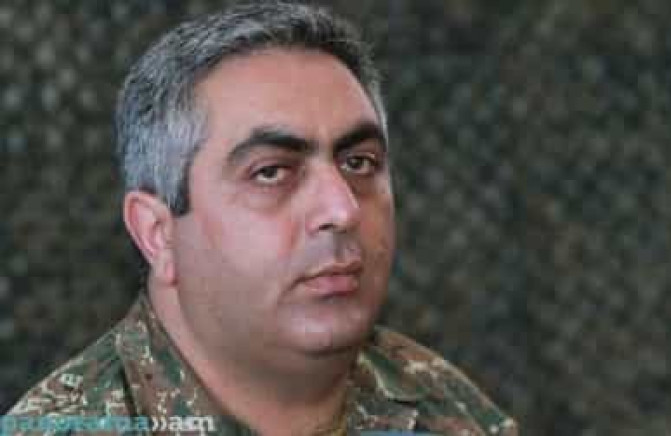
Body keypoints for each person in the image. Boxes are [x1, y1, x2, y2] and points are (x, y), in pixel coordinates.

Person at [6, 2, 517, 435]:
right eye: (271, 172)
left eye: (359, 163)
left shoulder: (444, 405)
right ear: (158, 234)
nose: (341, 209)